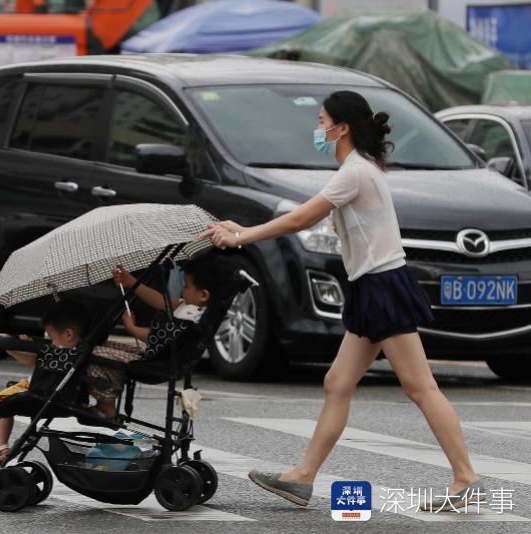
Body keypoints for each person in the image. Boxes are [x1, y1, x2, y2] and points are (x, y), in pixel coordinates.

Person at [198, 90, 483, 512]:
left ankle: (466, 479)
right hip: (369, 287)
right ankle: (303, 477)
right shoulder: (357, 169)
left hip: (384, 286)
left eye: (321, 120)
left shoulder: (356, 172)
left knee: (420, 387)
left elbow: (301, 219)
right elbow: (308, 215)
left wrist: (240, 236)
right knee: (337, 383)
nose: (317, 129)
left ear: (341, 127)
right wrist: (245, 227)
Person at [0, 298, 91, 484]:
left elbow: (35, 361)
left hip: (41, 397)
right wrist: (19, 349)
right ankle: (0, 446)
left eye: (51, 337)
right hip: (60, 399)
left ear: (68, 334)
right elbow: (34, 362)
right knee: (6, 396)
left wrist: (15, 346)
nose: (50, 341)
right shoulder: (79, 351)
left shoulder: (59, 351)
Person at [87, 253, 231, 421]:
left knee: (94, 354)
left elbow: (156, 339)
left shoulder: (188, 318)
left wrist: (131, 328)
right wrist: (131, 282)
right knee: (103, 345)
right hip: (159, 359)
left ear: (203, 295)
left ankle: (107, 406)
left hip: (155, 364)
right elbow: (163, 301)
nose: (183, 289)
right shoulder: (196, 310)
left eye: (186, 286)